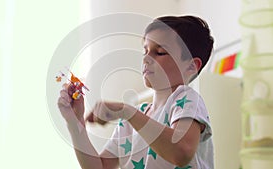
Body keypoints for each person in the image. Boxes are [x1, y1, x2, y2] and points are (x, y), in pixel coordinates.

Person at [58, 15, 214, 169]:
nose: (146, 59)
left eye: (159, 52)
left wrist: (127, 112)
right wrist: (75, 122)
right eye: (145, 51)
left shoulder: (187, 99)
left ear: (191, 66)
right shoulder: (131, 120)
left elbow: (182, 152)